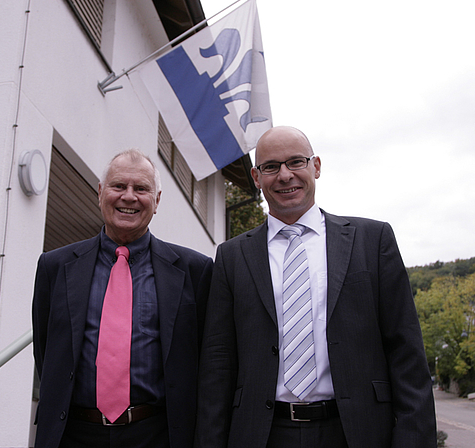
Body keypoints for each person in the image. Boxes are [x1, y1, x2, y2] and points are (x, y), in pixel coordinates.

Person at [195, 126, 436, 448]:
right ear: (256, 176)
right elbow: (218, 363)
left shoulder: (372, 241)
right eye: (271, 166)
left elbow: (406, 353)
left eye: (296, 162)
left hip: (356, 432)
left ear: (316, 166)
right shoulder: (231, 256)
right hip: (261, 434)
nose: (285, 175)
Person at [32, 149, 213, 448]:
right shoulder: (55, 267)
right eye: (118, 186)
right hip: (73, 434)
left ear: (156, 201)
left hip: (158, 435)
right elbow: (46, 350)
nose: (129, 197)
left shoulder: (195, 271)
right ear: (101, 193)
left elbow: (205, 361)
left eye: (141, 188)